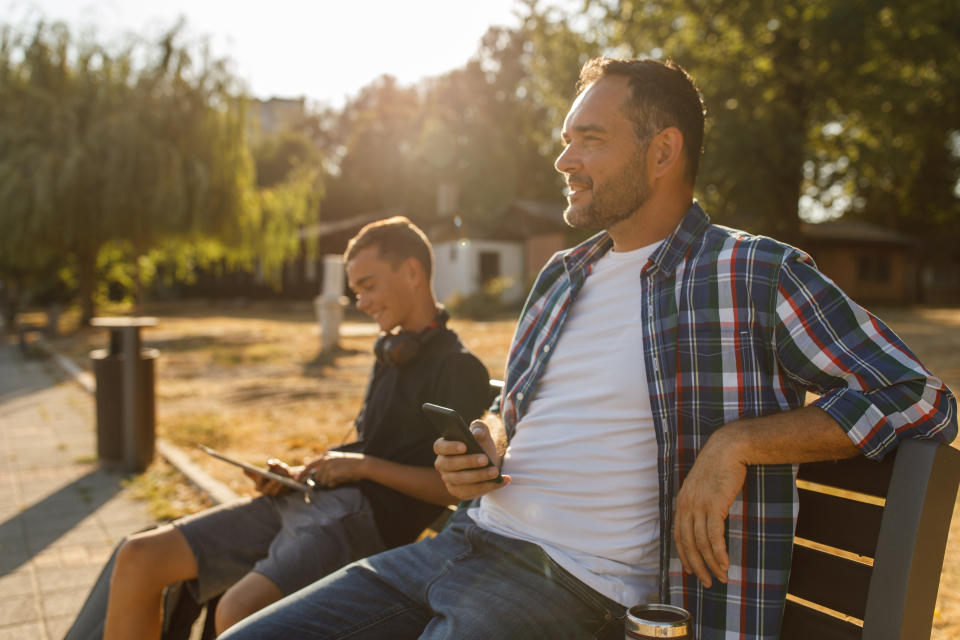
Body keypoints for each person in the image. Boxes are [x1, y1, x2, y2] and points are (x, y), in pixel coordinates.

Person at [219, 58, 957, 640]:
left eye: (589, 139)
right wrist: (488, 438)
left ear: (663, 150)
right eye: (566, 137)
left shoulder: (753, 275)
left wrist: (739, 443)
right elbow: (515, 404)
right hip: (460, 542)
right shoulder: (562, 276)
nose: (563, 159)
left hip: (579, 589)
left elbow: (919, 398)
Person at [67, 216, 491, 639]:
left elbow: (452, 489)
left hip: (359, 523)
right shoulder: (393, 352)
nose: (360, 302)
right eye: (355, 290)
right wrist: (293, 476)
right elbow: (365, 448)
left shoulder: (458, 368)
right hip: (309, 500)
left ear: (412, 272)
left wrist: (360, 467)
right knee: (139, 555)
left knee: (236, 613)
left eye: (368, 285)